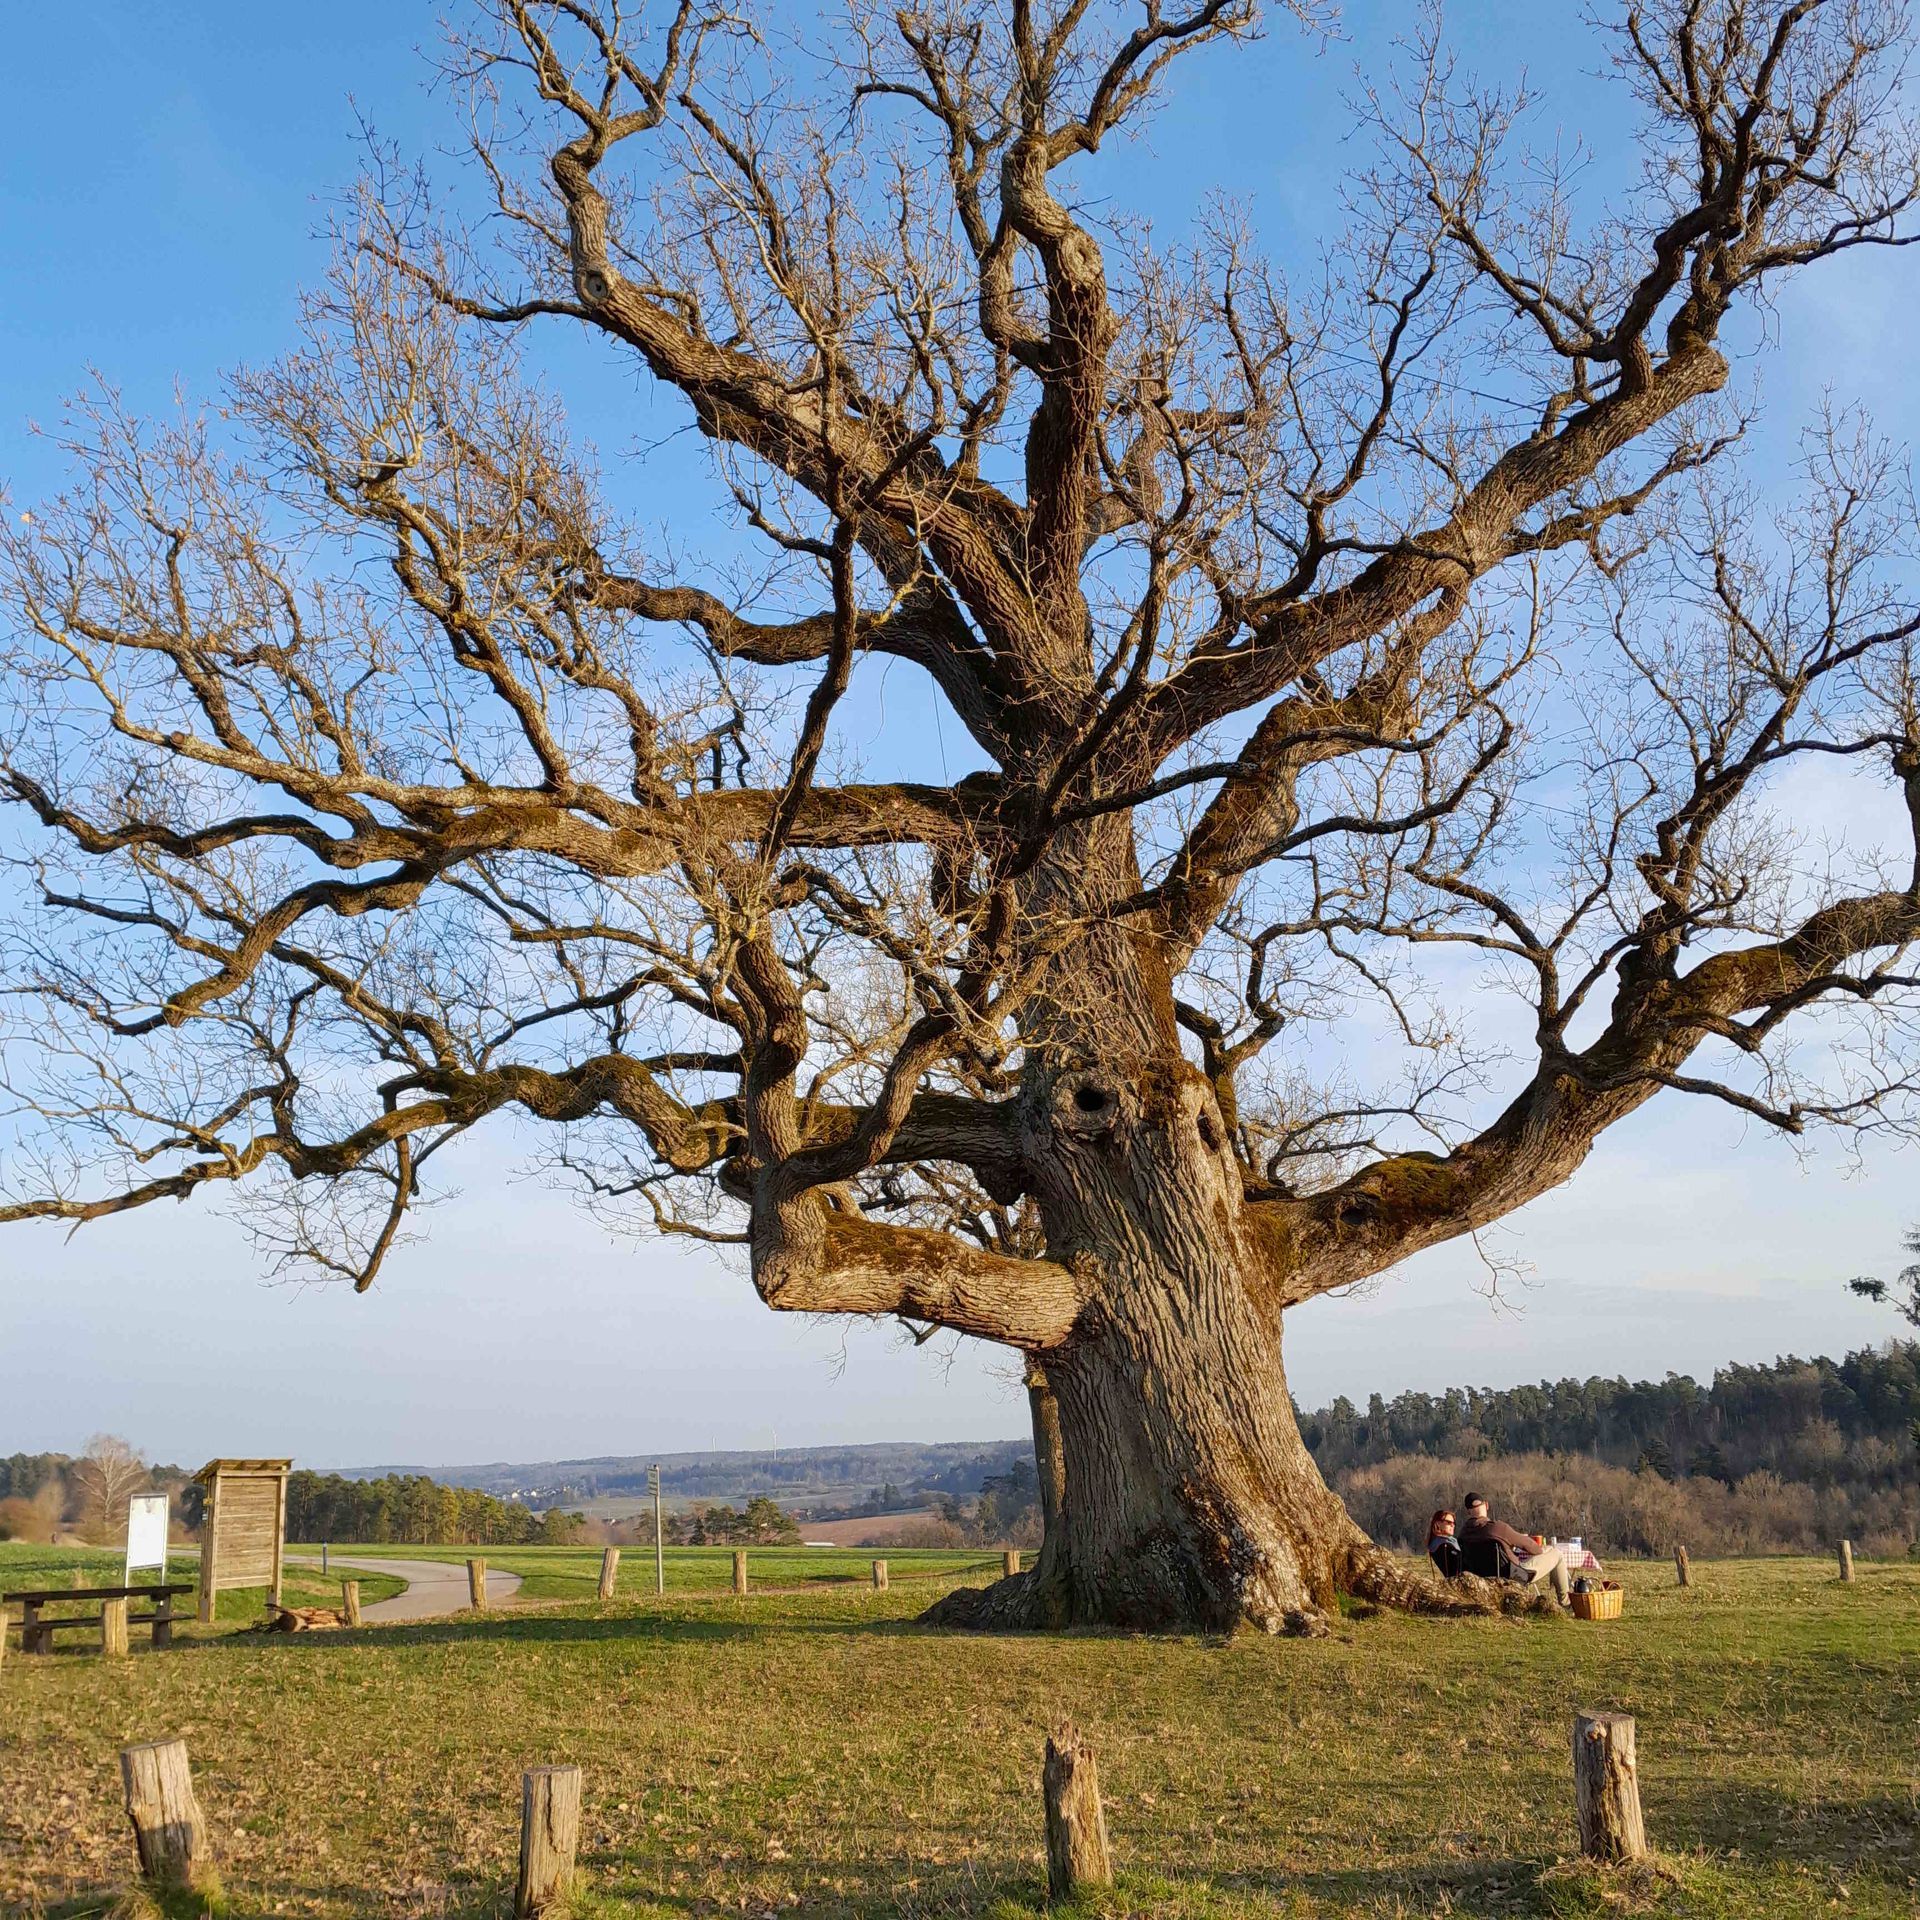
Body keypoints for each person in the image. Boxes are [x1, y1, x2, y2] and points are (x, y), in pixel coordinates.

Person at [1458, 1492, 1572, 1604]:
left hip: (1480, 1581)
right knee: (1556, 1553)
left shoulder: (1463, 1534)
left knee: (1549, 1550)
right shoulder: (1498, 1528)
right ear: (1486, 1505)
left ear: (1468, 1511)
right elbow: (1534, 1549)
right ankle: (1565, 1602)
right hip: (1513, 1577)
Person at [1426, 1508, 1463, 1579]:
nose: (1452, 1525)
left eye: (1453, 1523)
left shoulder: (1452, 1542)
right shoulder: (1443, 1546)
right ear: (1438, 1524)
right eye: (1449, 1522)